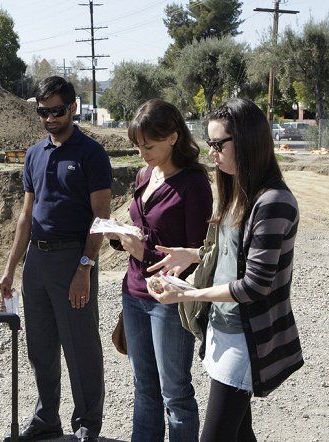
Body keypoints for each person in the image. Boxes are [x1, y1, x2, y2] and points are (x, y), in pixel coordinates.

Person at [147, 98, 303, 441]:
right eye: (210, 143)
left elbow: (255, 285)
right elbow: (230, 253)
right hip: (223, 329)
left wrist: (188, 293)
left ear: (246, 142)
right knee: (240, 434)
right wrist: (191, 255)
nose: (212, 152)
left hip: (244, 341)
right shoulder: (236, 191)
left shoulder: (274, 202)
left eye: (219, 143)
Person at [0, 76, 112, 442]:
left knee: (80, 349)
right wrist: (10, 269)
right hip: (37, 262)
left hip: (72, 260)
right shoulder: (34, 155)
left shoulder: (91, 154)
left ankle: (87, 425)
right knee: (41, 347)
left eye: (57, 111)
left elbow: (100, 219)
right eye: (42, 112)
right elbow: (25, 217)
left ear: (73, 108)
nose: (49, 118)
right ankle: (47, 418)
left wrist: (85, 267)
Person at [104, 99, 213, 441]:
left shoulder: (194, 184)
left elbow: (199, 253)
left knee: (175, 394)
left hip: (170, 299)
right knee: (144, 389)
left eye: (148, 146)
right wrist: (121, 238)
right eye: (137, 147)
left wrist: (144, 249)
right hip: (134, 292)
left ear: (173, 138)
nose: (142, 154)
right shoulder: (143, 174)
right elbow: (146, 227)